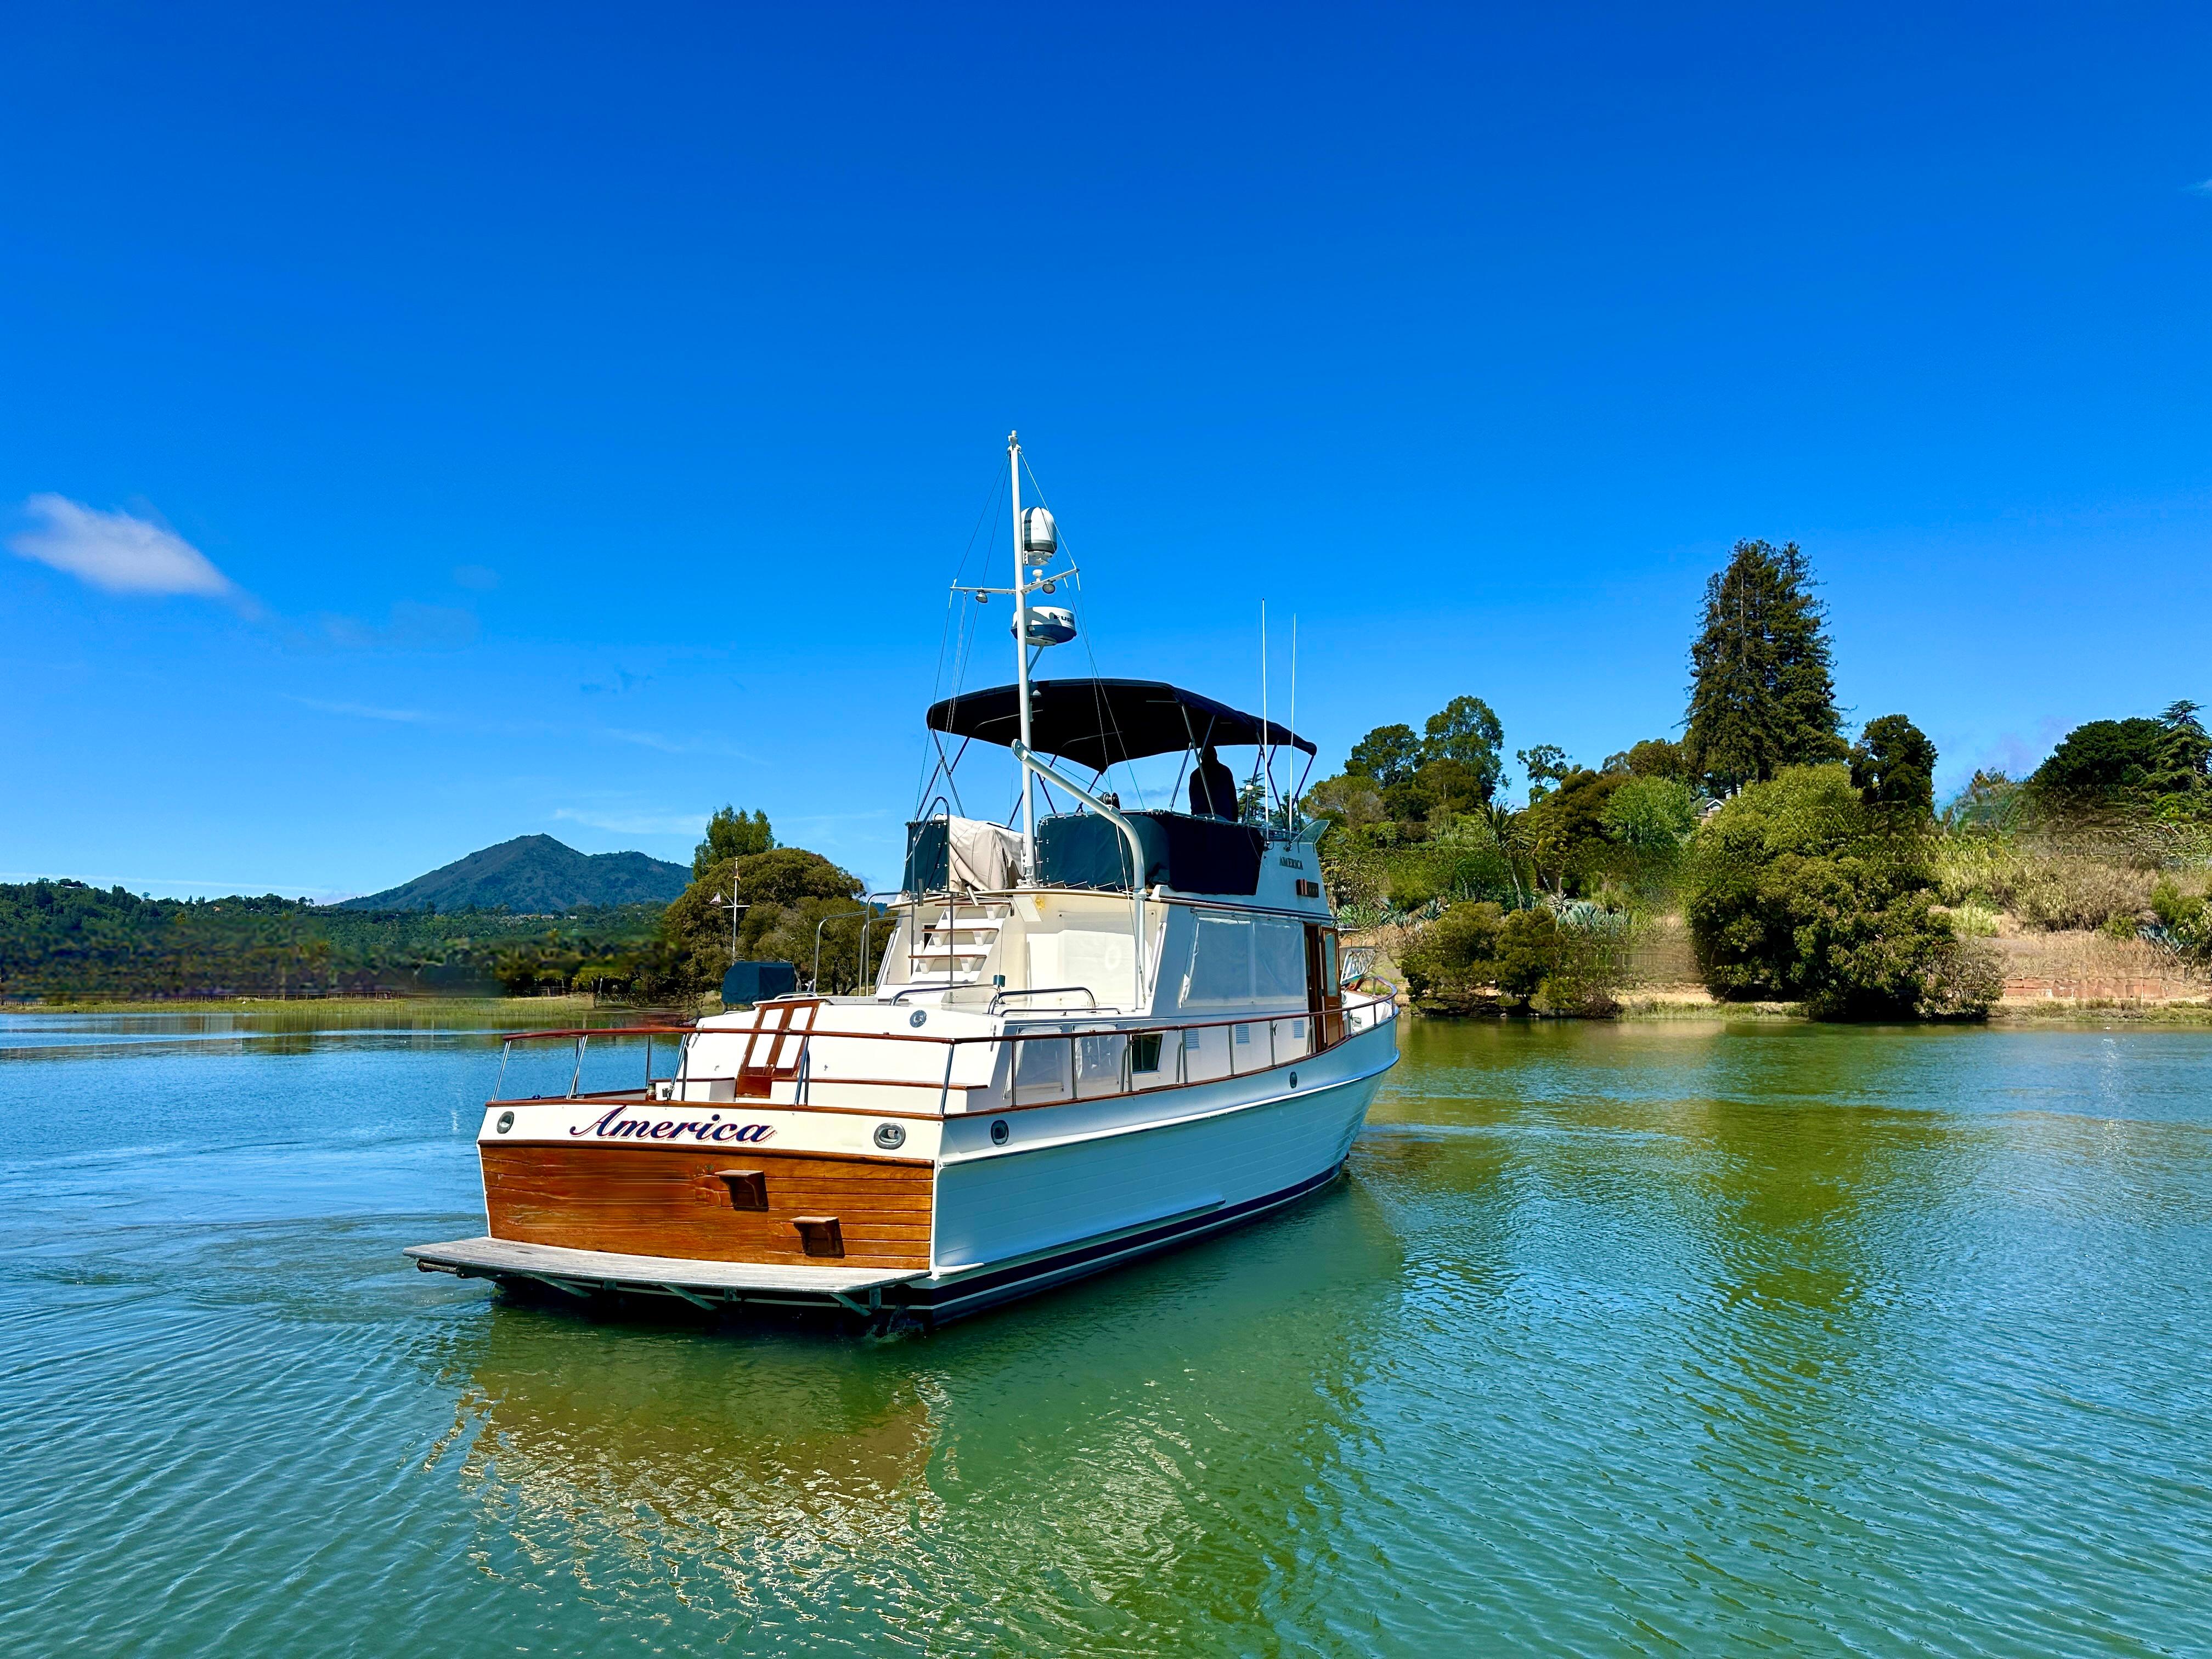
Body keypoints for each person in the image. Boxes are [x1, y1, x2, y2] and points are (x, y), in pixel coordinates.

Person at [1189, 742, 1238, 819]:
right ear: (1215, 755)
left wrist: (1194, 816)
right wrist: (1235, 820)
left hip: (1200, 817)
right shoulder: (1225, 771)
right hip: (1224, 817)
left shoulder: (1195, 774)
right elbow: (1233, 797)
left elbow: (1192, 799)